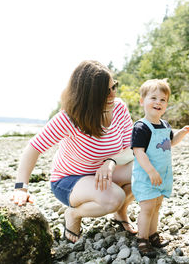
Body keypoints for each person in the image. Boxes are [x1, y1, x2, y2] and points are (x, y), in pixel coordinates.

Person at [11, 60, 137, 243]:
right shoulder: (69, 119)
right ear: (88, 95)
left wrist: (111, 162)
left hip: (106, 172)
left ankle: (121, 214)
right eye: (104, 92)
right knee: (114, 197)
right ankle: (74, 215)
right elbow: (33, 148)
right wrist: (21, 188)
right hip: (70, 179)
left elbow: (131, 149)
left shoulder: (119, 108)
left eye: (113, 87)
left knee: (143, 171)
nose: (112, 95)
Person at [131, 79, 189, 257]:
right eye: (153, 98)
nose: (158, 102)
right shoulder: (141, 127)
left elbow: (170, 142)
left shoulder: (165, 125)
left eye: (163, 100)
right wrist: (151, 171)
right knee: (147, 207)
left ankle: (153, 235)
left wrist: (182, 133)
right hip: (146, 176)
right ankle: (142, 239)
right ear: (142, 101)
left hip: (162, 176)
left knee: (157, 206)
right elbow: (139, 152)